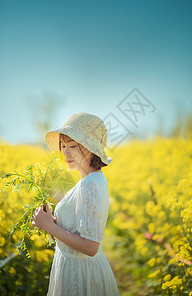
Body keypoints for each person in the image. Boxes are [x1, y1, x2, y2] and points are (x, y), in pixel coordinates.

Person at [31, 112, 120, 296]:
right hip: (75, 269)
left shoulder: (90, 185)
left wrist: (49, 226)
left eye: (72, 146)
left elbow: (90, 247)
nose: (65, 152)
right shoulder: (89, 180)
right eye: (63, 146)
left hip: (82, 275)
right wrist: (54, 223)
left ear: (90, 148)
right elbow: (79, 230)